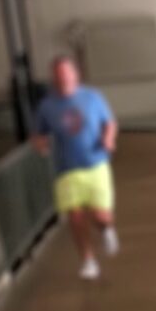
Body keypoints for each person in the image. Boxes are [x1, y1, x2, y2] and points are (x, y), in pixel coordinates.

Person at [33, 54, 119, 280]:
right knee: (75, 216)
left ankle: (106, 229)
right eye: (58, 75)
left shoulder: (92, 97)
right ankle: (88, 261)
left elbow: (109, 122)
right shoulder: (47, 106)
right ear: (54, 77)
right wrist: (41, 145)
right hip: (67, 169)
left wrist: (108, 139)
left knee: (100, 215)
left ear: (75, 74)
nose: (63, 79)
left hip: (95, 163)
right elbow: (39, 133)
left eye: (66, 73)